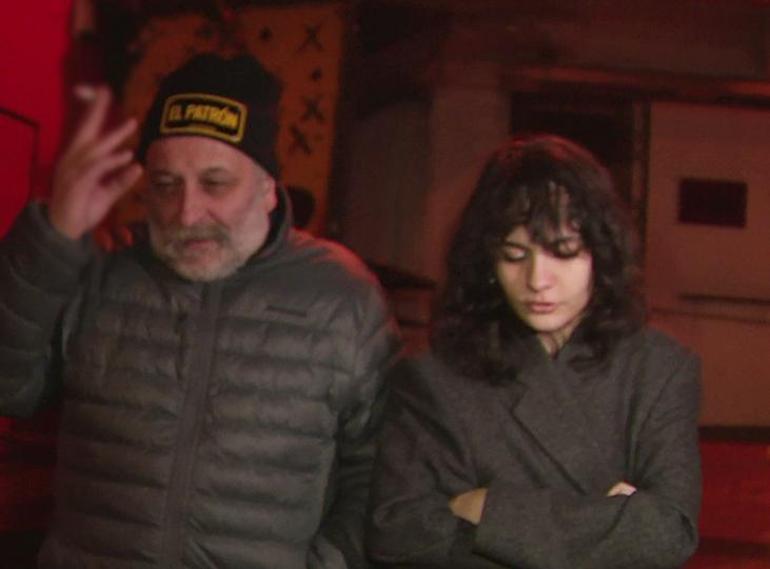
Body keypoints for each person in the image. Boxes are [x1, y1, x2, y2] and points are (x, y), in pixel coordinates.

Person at [0, 52, 400, 569]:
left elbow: (380, 472)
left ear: (268, 189)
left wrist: (327, 563)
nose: (188, 214)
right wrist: (52, 237)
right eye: (166, 185)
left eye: (215, 183)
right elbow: (9, 388)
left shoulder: (342, 297)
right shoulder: (101, 272)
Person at [366, 134, 701, 568]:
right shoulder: (435, 376)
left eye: (563, 252)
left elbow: (668, 532)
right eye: (514, 255)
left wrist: (488, 509)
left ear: (602, 253)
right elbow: (399, 535)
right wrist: (608, 523)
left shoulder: (660, 369)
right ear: (487, 262)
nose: (537, 279)